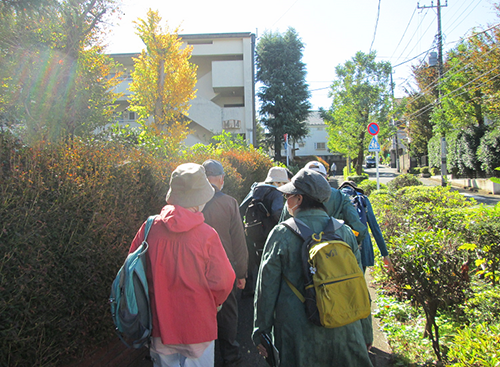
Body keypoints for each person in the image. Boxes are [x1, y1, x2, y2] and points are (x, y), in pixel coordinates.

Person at [252, 168, 373, 367]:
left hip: (298, 333)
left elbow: (266, 289)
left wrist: (261, 332)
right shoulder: (344, 232)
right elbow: (359, 286)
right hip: (345, 327)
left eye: (289, 196)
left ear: (299, 199)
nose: (286, 201)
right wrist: (366, 331)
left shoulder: (281, 234)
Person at [128, 163, 235, 367]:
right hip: (198, 326)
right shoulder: (206, 235)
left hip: (160, 324)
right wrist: (214, 302)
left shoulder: (149, 228)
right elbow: (223, 280)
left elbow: (133, 271)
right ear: (199, 200)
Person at [201, 159, 248, 367]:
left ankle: (204, 357)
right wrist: (242, 273)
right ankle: (230, 357)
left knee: (201, 312)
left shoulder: (190, 202)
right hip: (225, 269)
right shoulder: (229, 203)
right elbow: (239, 241)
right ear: (220, 179)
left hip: (196, 270)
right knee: (228, 314)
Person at [239, 166, 290, 297]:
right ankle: (266, 293)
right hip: (268, 232)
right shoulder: (276, 193)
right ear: (277, 182)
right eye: (283, 183)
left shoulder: (255, 190)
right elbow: (277, 212)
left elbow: (241, 208)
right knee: (268, 261)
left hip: (251, 231)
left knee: (251, 260)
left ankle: (249, 288)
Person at [301, 161, 368, 245]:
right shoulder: (341, 197)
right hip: (333, 250)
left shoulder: (294, 197)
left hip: (301, 249)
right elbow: (358, 229)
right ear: (326, 177)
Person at [339, 181, 394, 273]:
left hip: (341, 245)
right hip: (362, 247)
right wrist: (385, 254)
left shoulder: (335, 199)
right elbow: (374, 227)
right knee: (359, 281)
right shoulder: (362, 199)